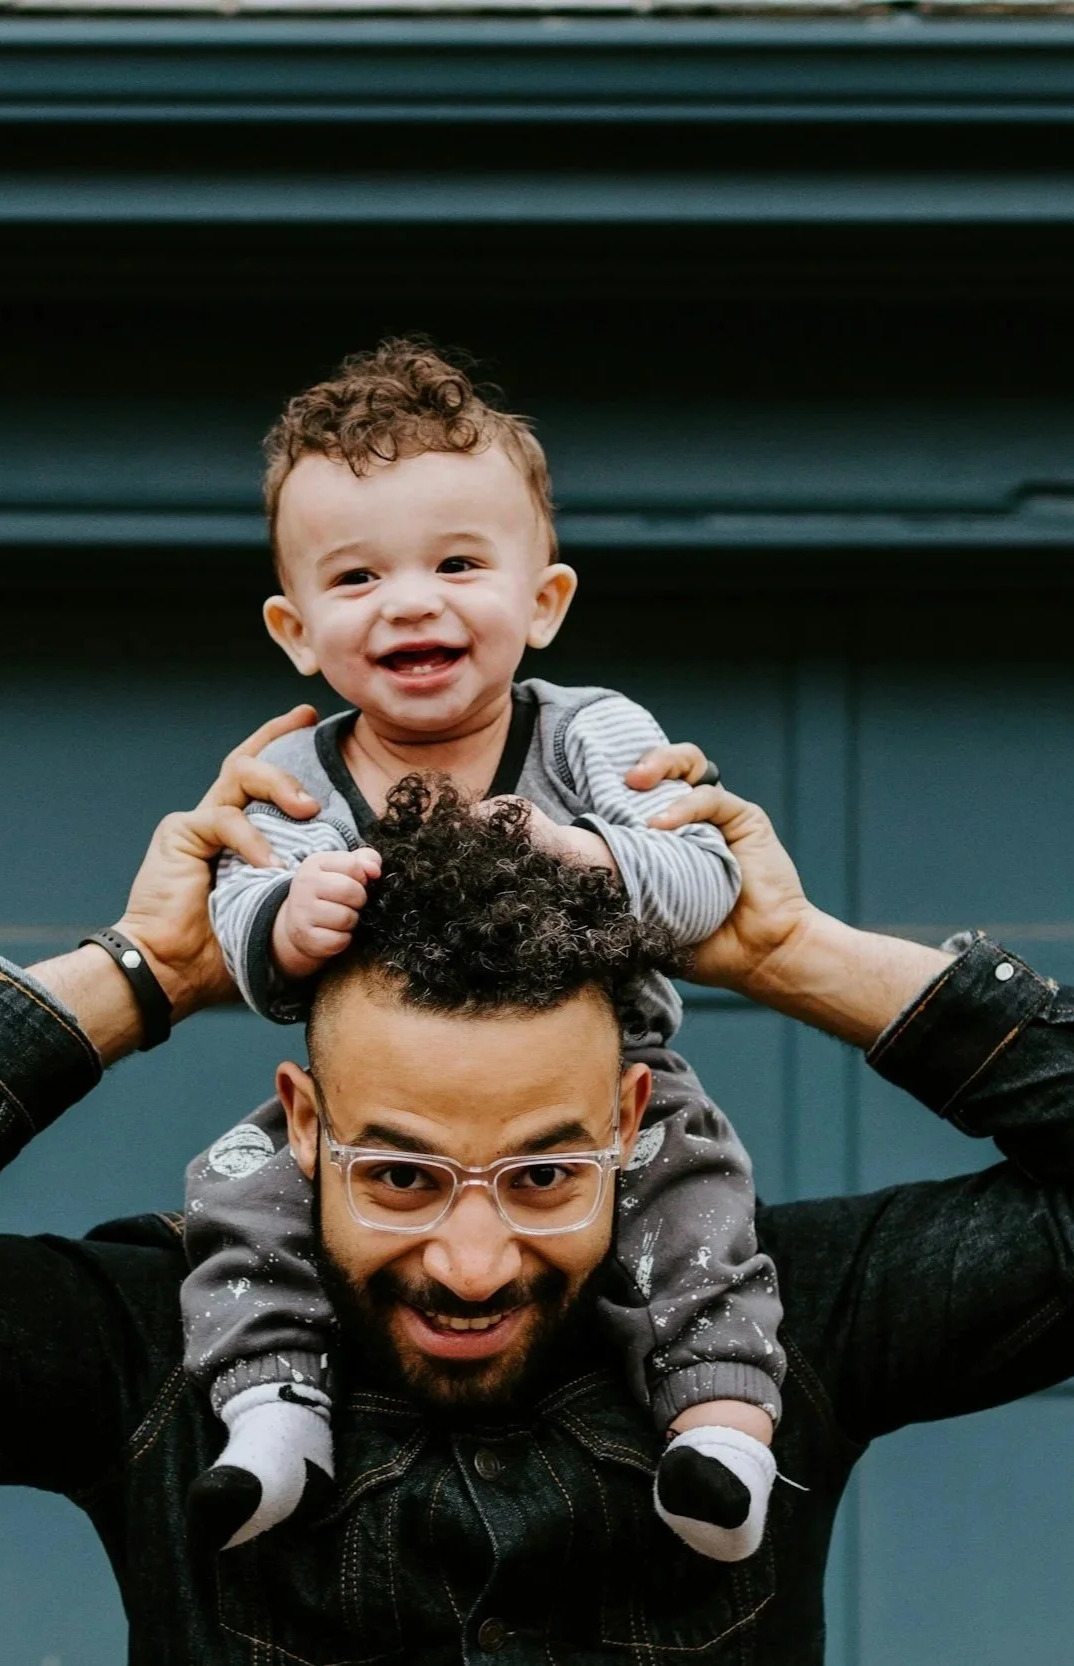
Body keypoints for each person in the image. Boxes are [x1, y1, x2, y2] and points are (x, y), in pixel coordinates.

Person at [0, 710, 1074, 1666]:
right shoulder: (152, 1355)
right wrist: (146, 971)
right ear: (300, 1122)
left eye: (547, 1171)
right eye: (404, 1175)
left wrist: (788, 954)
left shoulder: (779, 1326)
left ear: (636, 1115)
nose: (476, 1257)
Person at [187, 338, 780, 1561]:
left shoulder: (587, 735)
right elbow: (239, 927)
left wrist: (584, 853)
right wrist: (282, 921)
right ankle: (270, 1411)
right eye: (356, 579)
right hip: (375, 1107)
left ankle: (718, 1428)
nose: (410, 601)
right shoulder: (292, 773)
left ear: (543, 602)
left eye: (458, 563)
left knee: (697, 1196)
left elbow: (702, 876)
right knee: (238, 1190)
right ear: (297, 631)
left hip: (611, 1078)